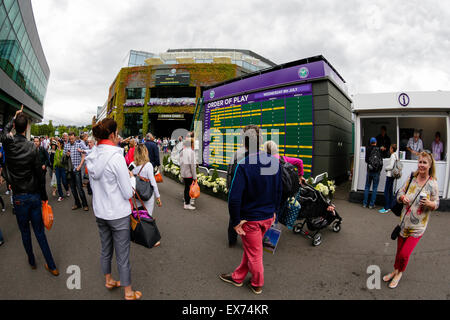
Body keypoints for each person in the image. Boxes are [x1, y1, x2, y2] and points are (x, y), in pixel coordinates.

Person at [219, 126, 283, 295]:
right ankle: (238, 276)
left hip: (250, 219)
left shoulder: (244, 165)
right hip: (268, 216)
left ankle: (257, 284)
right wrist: (275, 211)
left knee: (255, 254)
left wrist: (235, 221)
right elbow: (279, 190)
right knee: (251, 249)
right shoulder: (274, 162)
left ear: (244, 142)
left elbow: (234, 198)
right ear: (260, 141)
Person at [86, 118, 142, 300]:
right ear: (112, 134)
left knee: (105, 249)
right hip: (118, 213)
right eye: (117, 133)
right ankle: (128, 292)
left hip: (100, 212)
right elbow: (127, 192)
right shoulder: (116, 158)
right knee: (123, 254)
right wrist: (131, 177)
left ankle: (108, 280)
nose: (119, 136)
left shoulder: (92, 155)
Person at [0, 106, 59, 275]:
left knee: (25, 232)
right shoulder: (32, 147)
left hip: (18, 196)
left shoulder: (8, 143)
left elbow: (4, 130)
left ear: (16, 127)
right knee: (39, 232)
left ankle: (32, 261)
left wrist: (15, 115)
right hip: (33, 195)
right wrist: (44, 196)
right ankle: (52, 265)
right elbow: (40, 175)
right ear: (26, 128)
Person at [383, 151, 439, 288]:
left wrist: (429, 204)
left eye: (424, 162)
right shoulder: (412, 177)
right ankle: (395, 270)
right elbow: (400, 192)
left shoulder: (432, 183)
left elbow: (436, 203)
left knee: (404, 253)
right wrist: (402, 198)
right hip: (404, 223)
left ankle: (400, 273)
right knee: (399, 251)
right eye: (420, 162)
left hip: (418, 226)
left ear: (430, 165)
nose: (421, 165)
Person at [132, 144, 162, 219]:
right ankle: (146, 229)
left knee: (138, 214)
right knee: (148, 215)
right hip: (148, 194)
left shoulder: (132, 165)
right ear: (145, 152)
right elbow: (153, 183)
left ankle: (139, 229)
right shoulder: (148, 165)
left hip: (137, 194)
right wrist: (158, 196)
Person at [64, 132, 89, 211]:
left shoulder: (79, 145)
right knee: (73, 189)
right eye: (70, 139)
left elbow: (84, 155)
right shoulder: (66, 145)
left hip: (77, 170)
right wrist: (66, 155)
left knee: (79, 188)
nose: (71, 140)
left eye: (72, 138)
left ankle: (85, 204)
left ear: (75, 138)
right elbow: (64, 157)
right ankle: (77, 203)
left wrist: (79, 166)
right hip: (70, 170)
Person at [363, 137, 382, 209]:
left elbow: (366, 160)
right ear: (376, 142)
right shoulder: (378, 149)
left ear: (370, 142)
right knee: (375, 188)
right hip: (376, 172)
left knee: (367, 187)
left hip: (369, 170)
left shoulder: (367, 149)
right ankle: (371, 204)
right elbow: (380, 161)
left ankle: (365, 204)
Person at [379, 144, 398, 214]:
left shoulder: (393, 156)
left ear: (392, 149)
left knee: (386, 191)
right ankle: (390, 206)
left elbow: (391, 166)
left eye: (390, 148)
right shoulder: (396, 155)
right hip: (393, 176)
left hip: (390, 175)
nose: (389, 150)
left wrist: (385, 168)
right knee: (390, 191)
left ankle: (386, 207)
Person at [179, 138, 197, 210]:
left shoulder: (182, 151)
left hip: (184, 172)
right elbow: (192, 166)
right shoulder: (191, 152)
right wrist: (195, 176)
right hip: (189, 173)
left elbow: (180, 163)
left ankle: (186, 202)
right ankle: (187, 204)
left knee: (186, 188)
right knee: (188, 189)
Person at [33, 137, 50, 202]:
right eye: (35, 141)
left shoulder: (42, 149)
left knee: (42, 185)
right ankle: (37, 199)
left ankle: (45, 199)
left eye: (37, 141)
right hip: (34, 171)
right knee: (35, 185)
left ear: (39, 142)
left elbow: (47, 158)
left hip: (42, 170)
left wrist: (45, 165)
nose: (36, 142)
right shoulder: (31, 150)